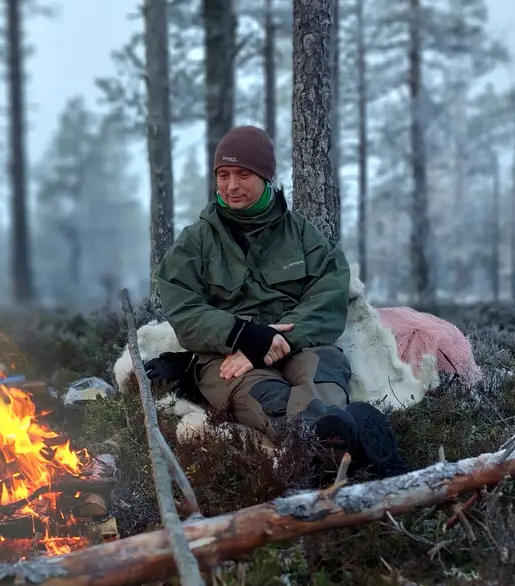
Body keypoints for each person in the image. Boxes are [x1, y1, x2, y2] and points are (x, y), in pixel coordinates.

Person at [154, 124, 407, 478]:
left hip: (298, 343)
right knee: (264, 396)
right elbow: (183, 308)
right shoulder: (194, 242)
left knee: (325, 373)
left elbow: (330, 290)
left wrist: (285, 337)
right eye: (223, 175)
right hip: (229, 357)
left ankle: (328, 442)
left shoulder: (303, 234)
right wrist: (244, 335)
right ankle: (340, 445)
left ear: (266, 177)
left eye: (243, 174)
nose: (231, 185)